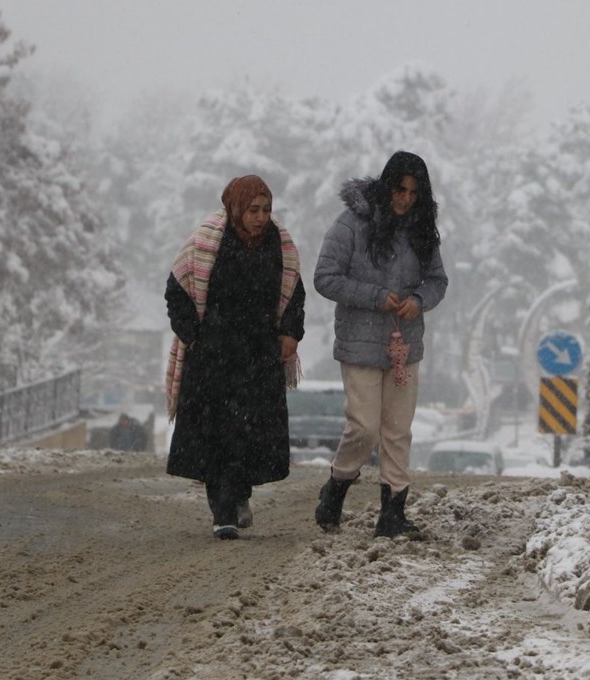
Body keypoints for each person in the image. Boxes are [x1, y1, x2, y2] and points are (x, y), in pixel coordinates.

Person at [313, 151, 448, 538]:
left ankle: (393, 511)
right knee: (364, 427)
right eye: (399, 189)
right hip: (360, 343)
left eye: (413, 192)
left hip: (404, 346)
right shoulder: (352, 224)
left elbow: (438, 281)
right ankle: (337, 484)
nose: (405, 199)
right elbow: (325, 277)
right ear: (386, 186)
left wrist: (419, 300)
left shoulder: (423, 231)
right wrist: (375, 296)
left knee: (397, 430)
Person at [164, 175, 305, 540]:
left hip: (259, 357)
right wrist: (193, 334)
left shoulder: (281, 244)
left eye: (267, 209)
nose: (261, 218)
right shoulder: (207, 240)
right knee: (217, 435)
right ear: (235, 208)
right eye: (253, 210)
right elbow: (176, 289)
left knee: (250, 433)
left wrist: (290, 333)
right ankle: (222, 510)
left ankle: (240, 493)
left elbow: (293, 295)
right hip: (213, 357)